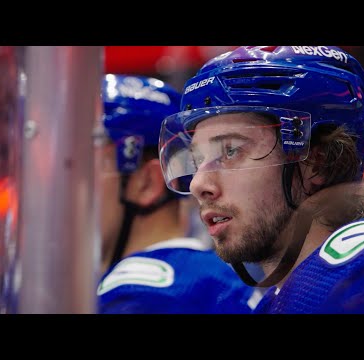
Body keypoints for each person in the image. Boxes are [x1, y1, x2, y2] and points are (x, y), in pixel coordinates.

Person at [158, 46, 364, 314]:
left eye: (231, 150)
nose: (198, 184)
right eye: (198, 160)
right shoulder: (277, 300)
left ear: (318, 163)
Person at [96, 74, 258, 314]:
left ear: (146, 183)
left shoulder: (139, 297)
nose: (66, 196)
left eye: (82, 172)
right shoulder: (216, 279)